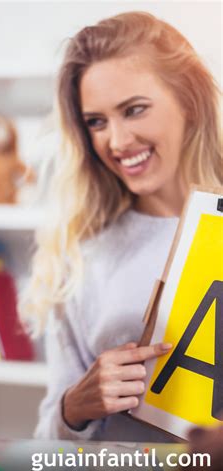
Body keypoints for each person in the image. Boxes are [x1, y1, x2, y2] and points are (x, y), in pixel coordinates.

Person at [21, 12, 221, 442]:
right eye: (96, 122)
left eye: (134, 110)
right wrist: (74, 407)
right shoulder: (81, 256)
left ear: (188, 100)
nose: (117, 141)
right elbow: (45, 451)